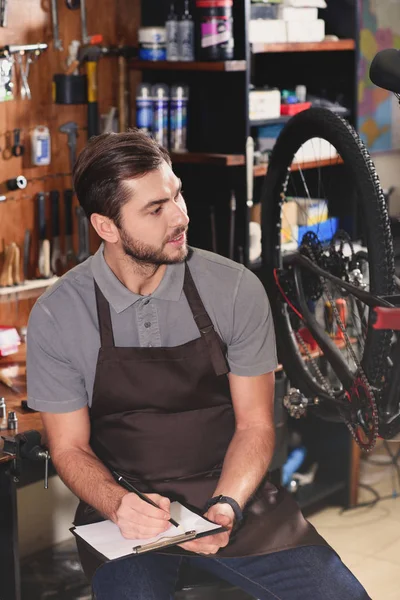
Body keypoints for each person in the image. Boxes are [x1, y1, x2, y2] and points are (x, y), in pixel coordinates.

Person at [27, 130, 370, 600]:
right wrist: (119, 504)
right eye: (155, 208)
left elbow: (255, 425)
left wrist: (227, 505)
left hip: (234, 495)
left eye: (177, 194)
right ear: (106, 227)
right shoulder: (57, 314)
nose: (180, 216)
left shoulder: (234, 290)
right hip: (127, 513)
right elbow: (68, 448)